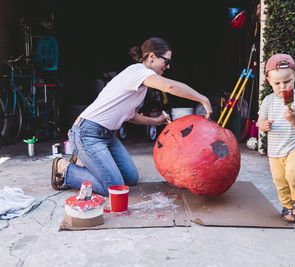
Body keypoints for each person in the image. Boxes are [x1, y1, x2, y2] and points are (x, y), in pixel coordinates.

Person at [51, 37, 213, 196]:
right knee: (114, 188)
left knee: (131, 178)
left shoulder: (140, 83)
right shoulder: (138, 72)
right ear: (151, 57)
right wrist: (202, 99)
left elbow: (129, 116)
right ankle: (65, 169)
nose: (168, 66)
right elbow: (169, 86)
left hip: (106, 135)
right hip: (87, 133)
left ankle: (85, 162)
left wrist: (155, 121)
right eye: (166, 61)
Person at [257, 54, 295, 223]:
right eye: (277, 83)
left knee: (293, 173)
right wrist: (263, 125)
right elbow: (260, 121)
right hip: (275, 149)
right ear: (269, 81)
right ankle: (287, 206)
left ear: (294, 77)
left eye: (287, 81)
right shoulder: (268, 101)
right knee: (280, 181)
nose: (282, 87)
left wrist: (293, 119)